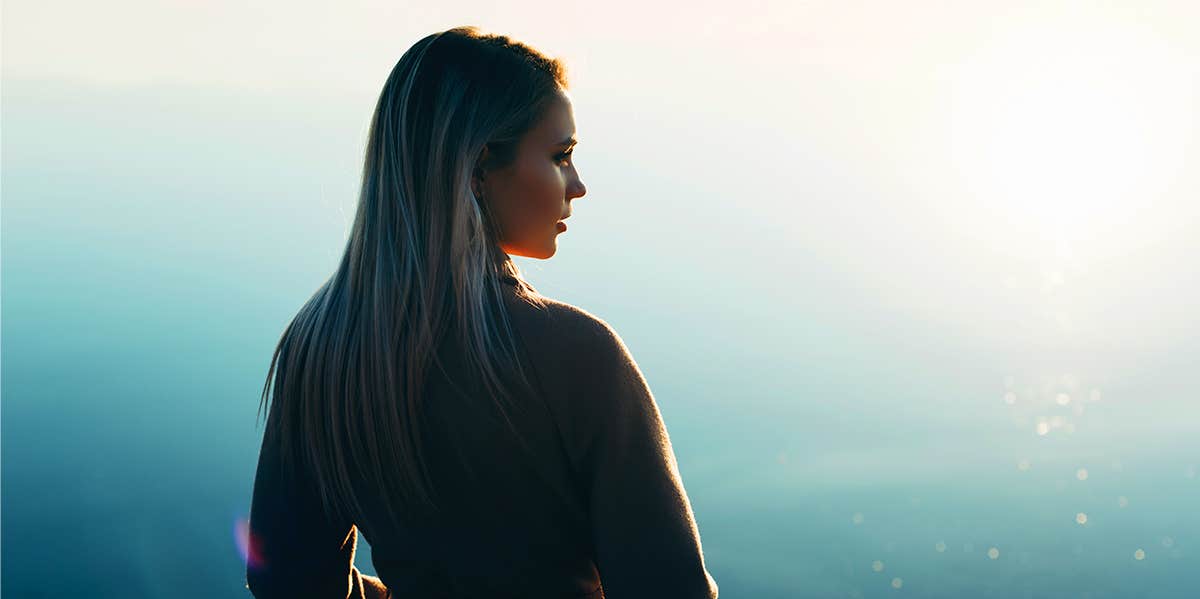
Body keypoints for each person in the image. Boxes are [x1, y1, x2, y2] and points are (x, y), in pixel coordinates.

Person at [245, 25, 719, 598]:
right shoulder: (578, 355)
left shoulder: (319, 348)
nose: (579, 186)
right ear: (475, 171)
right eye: (560, 156)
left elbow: (286, 579)